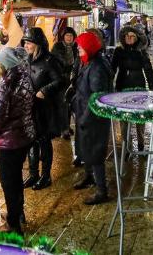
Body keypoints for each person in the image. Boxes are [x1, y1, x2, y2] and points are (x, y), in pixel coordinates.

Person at [0, 47, 35, 235]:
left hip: (10, 141)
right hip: (24, 135)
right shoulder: (24, 77)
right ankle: (18, 213)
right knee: (16, 178)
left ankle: (13, 224)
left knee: (9, 182)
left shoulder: (6, 84)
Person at [72, 30, 113, 205]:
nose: (78, 49)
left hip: (93, 117)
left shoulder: (97, 67)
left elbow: (97, 95)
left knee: (95, 153)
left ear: (89, 47)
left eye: (81, 46)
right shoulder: (88, 62)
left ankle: (101, 190)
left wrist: (85, 118)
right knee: (86, 149)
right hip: (84, 113)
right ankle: (89, 177)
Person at [21, 28, 65, 190]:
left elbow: (60, 80)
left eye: (29, 43)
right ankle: (33, 174)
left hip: (45, 108)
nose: (26, 45)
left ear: (38, 44)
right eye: (25, 42)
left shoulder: (50, 60)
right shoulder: (26, 60)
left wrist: (44, 91)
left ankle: (46, 176)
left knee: (44, 140)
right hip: (29, 106)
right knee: (31, 140)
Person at [112, 25, 153, 152]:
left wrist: (152, 87)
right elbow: (112, 68)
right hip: (122, 86)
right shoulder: (118, 51)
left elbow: (148, 70)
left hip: (139, 86)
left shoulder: (141, 52)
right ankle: (127, 145)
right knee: (124, 117)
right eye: (127, 36)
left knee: (139, 116)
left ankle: (141, 143)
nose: (129, 38)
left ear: (137, 38)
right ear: (123, 38)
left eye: (132, 36)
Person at [51, 27, 80, 141]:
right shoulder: (57, 47)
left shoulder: (76, 47)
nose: (69, 38)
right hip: (61, 79)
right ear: (63, 36)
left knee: (69, 105)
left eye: (71, 36)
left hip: (72, 80)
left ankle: (66, 126)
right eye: (67, 35)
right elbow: (53, 63)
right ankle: (63, 130)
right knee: (62, 104)